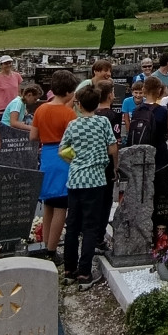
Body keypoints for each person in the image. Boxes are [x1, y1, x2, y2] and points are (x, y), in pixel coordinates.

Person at [59, 83, 118, 289]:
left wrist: (76, 161)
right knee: (90, 227)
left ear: (79, 104)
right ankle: (85, 272)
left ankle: (69, 270)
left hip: (75, 179)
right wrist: (110, 164)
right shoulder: (102, 122)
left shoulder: (73, 125)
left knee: (72, 225)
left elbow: (62, 150)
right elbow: (112, 148)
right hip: (96, 179)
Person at [32, 70, 81, 261]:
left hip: (46, 157)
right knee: (61, 206)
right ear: (68, 92)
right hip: (63, 158)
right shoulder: (68, 113)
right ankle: (52, 251)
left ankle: (45, 244)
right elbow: (75, 140)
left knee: (48, 205)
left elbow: (33, 136)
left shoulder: (41, 109)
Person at [136, 75, 168, 168]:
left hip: (140, 152)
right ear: (159, 90)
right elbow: (167, 132)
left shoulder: (137, 110)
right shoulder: (163, 111)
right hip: (158, 151)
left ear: (144, 89)